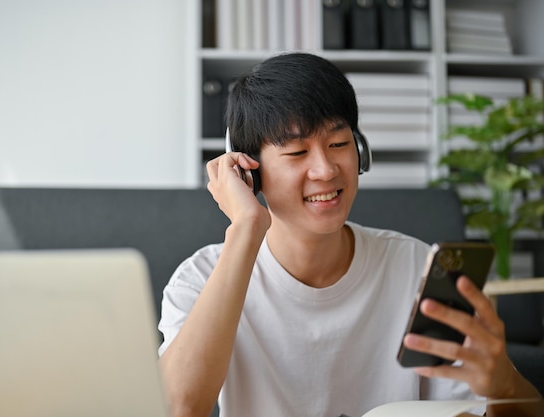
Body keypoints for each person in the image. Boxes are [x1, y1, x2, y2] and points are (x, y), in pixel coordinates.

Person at [157, 52, 543, 417]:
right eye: (296, 152)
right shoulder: (200, 279)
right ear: (249, 172)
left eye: (339, 144)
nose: (326, 170)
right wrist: (245, 227)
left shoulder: (417, 270)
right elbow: (181, 407)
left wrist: (504, 386)